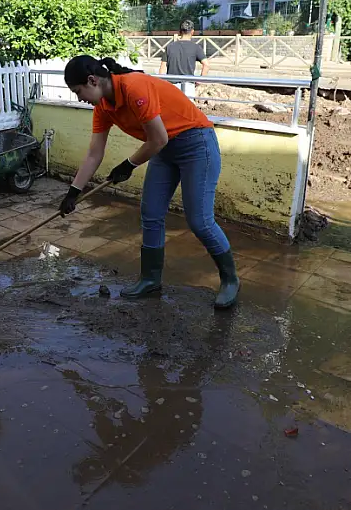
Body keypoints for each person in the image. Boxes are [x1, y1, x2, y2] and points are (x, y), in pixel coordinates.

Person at [57, 55, 239, 309]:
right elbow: (94, 153)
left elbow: (159, 138)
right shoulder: (103, 108)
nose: (79, 98)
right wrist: (73, 192)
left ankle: (230, 279)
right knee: (151, 213)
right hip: (163, 150)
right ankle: (150, 279)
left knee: (200, 220)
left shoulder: (134, 87)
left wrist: (129, 165)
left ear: (92, 80)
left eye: (78, 91)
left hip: (196, 145)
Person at [159, 20, 209, 97]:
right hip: (188, 86)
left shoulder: (169, 47)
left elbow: (162, 69)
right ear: (192, 32)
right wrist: (200, 81)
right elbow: (206, 65)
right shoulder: (196, 48)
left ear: (180, 31)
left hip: (171, 86)